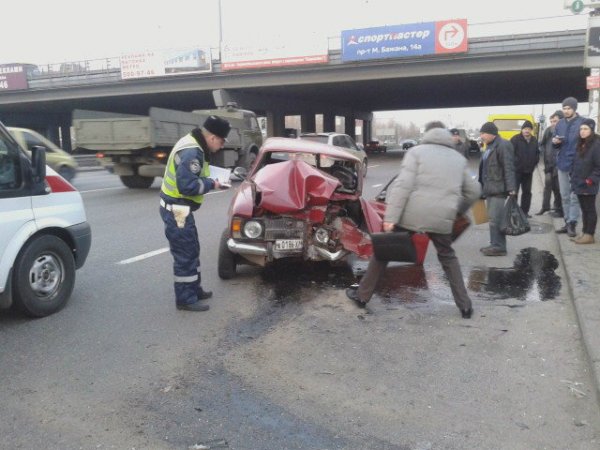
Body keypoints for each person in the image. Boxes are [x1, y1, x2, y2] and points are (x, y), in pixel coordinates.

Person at [346, 122, 481, 319]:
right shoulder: (458, 159)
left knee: (384, 251)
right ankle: (465, 306)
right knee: (448, 257)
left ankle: (362, 296)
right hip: (442, 217)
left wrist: (391, 218)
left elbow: (403, 186)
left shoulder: (416, 153)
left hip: (411, 215)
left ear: (427, 134)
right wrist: (456, 211)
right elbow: (474, 191)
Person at [159, 115, 231, 312]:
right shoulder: (192, 151)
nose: (222, 146)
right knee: (185, 252)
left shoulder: (194, 144)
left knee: (192, 248)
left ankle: (194, 289)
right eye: (222, 142)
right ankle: (185, 299)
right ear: (213, 137)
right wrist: (213, 184)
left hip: (179, 208)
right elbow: (187, 186)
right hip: (177, 210)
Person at [478, 121, 517, 256]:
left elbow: (508, 167)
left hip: (498, 188)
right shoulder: (489, 146)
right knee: (493, 219)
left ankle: (499, 247)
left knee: (496, 219)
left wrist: (511, 188)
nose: (481, 136)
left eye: (483, 133)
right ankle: (494, 244)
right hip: (490, 188)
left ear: (491, 133)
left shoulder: (503, 145)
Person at [553, 97, 584, 237]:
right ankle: (566, 221)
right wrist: (555, 142)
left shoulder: (583, 122)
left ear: (574, 108)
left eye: (569, 108)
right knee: (564, 195)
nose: (566, 111)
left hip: (577, 164)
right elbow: (555, 143)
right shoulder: (559, 124)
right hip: (562, 163)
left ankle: (572, 223)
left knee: (574, 196)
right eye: (564, 108)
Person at [569, 118, 600, 244]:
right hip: (578, 182)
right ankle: (584, 232)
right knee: (584, 209)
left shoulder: (596, 145)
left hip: (588, 183)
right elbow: (576, 162)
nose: (582, 131)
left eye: (586, 129)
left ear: (591, 130)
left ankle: (589, 234)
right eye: (581, 129)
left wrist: (589, 180)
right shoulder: (581, 143)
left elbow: (598, 167)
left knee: (589, 209)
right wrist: (573, 176)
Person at [536, 111, 563, 217]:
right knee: (547, 188)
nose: (552, 123)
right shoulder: (548, 130)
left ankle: (558, 209)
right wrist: (544, 154)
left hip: (559, 166)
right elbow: (542, 144)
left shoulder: (563, 132)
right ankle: (545, 207)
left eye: (555, 121)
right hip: (548, 165)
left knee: (558, 189)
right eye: (551, 121)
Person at [510, 120, 539, 217]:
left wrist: (534, 162)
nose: (527, 131)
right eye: (525, 129)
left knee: (527, 192)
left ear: (531, 130)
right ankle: (513, 212)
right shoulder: (515, 139)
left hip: (528, 171)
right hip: (516, 171)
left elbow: (537, 153)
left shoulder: (534, 140)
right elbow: (510, 154)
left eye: (529, 129)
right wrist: (515, 163)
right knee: (514, 192)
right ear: (522, 130)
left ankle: (524, 212)